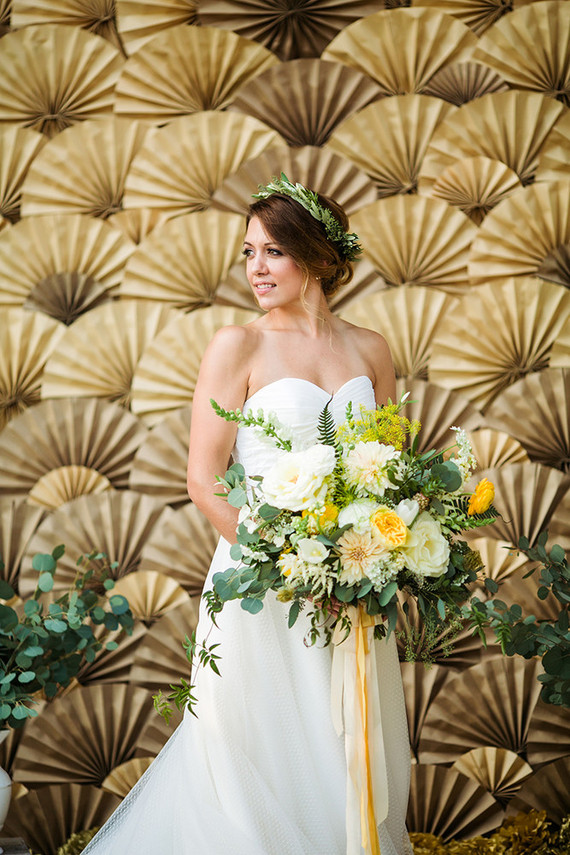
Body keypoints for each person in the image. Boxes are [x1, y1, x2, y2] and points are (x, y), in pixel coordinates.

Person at [83, 177, 413, 855]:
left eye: (273, 252)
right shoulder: (238, 345)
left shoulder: (371, 349)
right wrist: (288, 567)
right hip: (263, 583)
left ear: (319, 257)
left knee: (345, 740)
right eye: (248, 252)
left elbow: (392, 475)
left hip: (350, 584)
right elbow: (203, 484)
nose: (255, 269)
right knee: (254, 749)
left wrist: (370, 558)